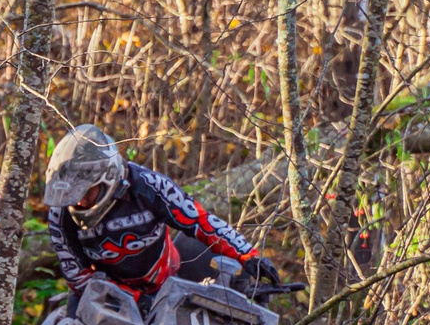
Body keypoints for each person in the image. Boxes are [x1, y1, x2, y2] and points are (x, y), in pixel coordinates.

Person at [41, 124, 281, 301]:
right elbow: (78, 277)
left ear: (107, 178)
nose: (78, 201)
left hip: (170, 282)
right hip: (108, 293)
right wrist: (134, 299)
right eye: (71, 193)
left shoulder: (148, 185)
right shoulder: (60, 214)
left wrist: (248, 255)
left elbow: (199, 220)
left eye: (85, 191)